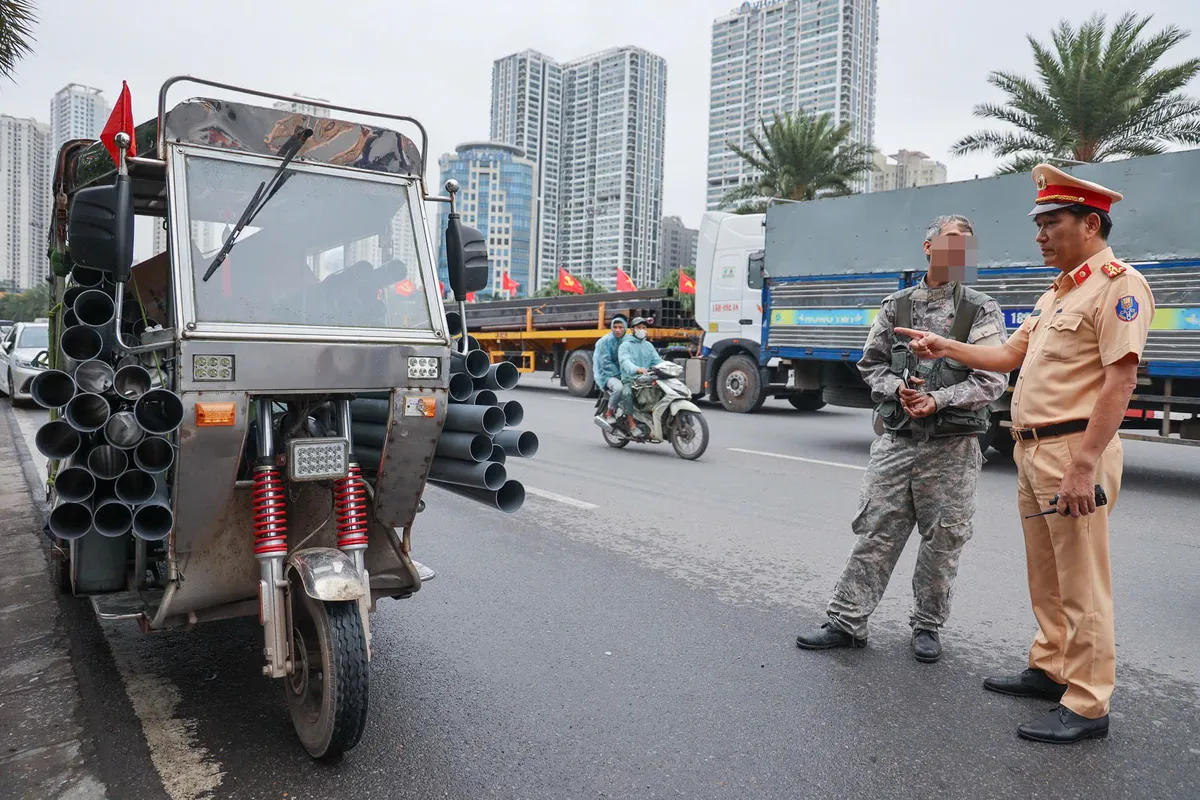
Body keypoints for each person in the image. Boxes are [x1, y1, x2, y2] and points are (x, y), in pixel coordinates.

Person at [895, 164, 1154, 744]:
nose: (1039, 234)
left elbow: (1120, 382)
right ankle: (1052, 668)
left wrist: (1085, 465)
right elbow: (1009, 356)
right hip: (1033, 451)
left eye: (1050, 223)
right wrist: (945, 343)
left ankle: (1088, 704)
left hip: (1073, 452)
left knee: (1082, 581)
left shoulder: (1118, 284)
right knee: (1047, 573)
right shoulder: (1058, 292)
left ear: (1090, 224)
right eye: (1038, 223)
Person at [795, 215, 1009, 664]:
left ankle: (927, 626)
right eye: (951, 241)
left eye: (966, 245)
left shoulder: (980, 309)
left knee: (943, 539)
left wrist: (939, 399)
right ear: (928, 247)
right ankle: (847, 621)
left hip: (952, 449)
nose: (958, 252)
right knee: (875, 529)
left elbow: (992, 380)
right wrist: (900, 390)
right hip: (898, 441)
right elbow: (871, 365)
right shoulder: (897, 306)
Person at [618, 316, 666, 432]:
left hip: (647, 379)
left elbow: (657, 361)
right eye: (639, 327)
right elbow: (625, 361)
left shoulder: (648, 345)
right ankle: (632, 424)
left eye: (644, 327)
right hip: (630, 379)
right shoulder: (625, 345)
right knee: (627, 394)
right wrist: (636, 369)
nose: (642, 330)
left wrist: (669, 367)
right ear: (632, 330)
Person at [593, 315, 629, 425]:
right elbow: (605, 363)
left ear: (625, 328)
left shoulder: (629, 341)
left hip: (624, 373)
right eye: (615, 327)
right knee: (618, 388)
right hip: (607, 374)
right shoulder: (604, 342)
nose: (617, 330)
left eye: (620, 327)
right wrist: (619, 375)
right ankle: (610, 412)